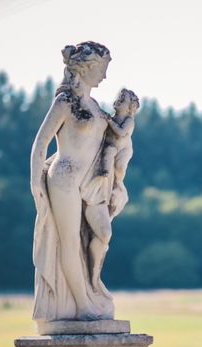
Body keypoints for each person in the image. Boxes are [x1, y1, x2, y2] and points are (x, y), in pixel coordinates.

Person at [30, 41, 115, 322]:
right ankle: (81, 305)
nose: (104, 76)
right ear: (87, 68)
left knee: (100, 235)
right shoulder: (66, 102)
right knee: (69, 242)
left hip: (89, 183)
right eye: (102, 69)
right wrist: (35, 184)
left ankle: (92, 290)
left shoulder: (93, 104)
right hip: (64, 176)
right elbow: (41, 142)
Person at [82, 88, 140, 296]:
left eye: (122, 100)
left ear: (131, 107)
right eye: (118, 97)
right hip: (109, 152)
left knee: (118, 169)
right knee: (109, 154)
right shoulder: (109, 118)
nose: (117, 101)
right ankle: (92, 278)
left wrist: (108, 120)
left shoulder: (127, 121)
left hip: (121, 150)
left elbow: (121, 133)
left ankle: (115, 183)